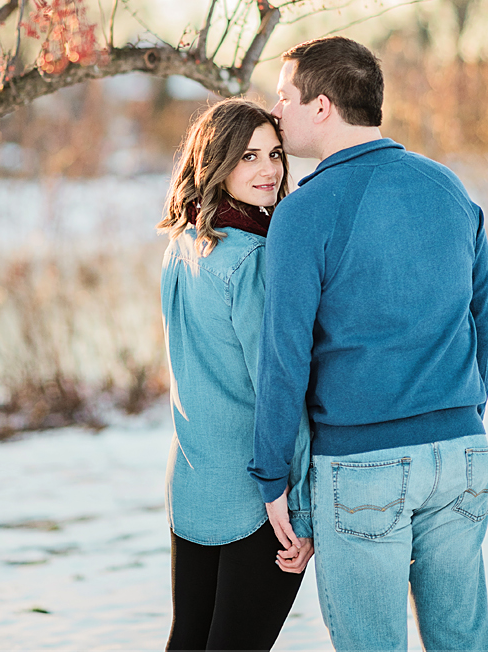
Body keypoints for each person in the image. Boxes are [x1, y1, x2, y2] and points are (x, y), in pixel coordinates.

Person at [251, 35, 488, 652]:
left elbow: (285, 355)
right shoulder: (449, 187)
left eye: (285, 98)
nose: (276, 113)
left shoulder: (305, 211)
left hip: (365, 466)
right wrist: (463, 413)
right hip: (462, 453)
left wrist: (271, 475)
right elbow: (484, 322)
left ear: (322, 106)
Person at [156, 99, 313, 651]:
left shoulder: (184, 246)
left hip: (194, 486)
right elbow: (279, 386)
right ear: (218, 162)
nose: (270, 169)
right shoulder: (253, 259)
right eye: (249, 157)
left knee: (189, 641)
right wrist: (303, 508)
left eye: (274, 154)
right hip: (256, 498)